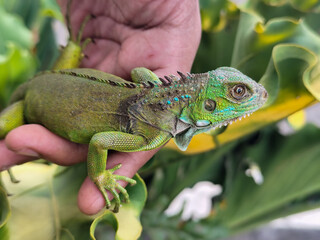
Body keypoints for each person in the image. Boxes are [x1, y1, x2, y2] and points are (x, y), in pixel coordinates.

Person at [0, 0, 201, 215]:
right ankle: (74, 47)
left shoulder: (154, 113)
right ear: (208, 104)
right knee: (4, 126)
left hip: (57, 80)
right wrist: (100, 175)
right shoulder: (149, 135)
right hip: (30, 100)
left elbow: (139, 71)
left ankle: (73, 48)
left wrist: (156, 90)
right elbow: (100, 141)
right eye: (237, 94)